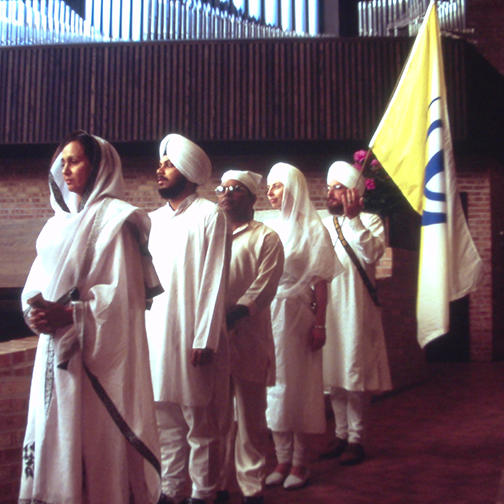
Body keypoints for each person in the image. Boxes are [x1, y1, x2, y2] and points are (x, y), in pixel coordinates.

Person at [19, 131, 162, 504]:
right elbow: (39, 278)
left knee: (94, 436)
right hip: (52, 351)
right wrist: (33, 315)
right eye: (62, 161)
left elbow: (123, 298)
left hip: (94, 356)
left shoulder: (116, 221)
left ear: (99, 166)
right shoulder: (56, 224)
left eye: (76, 160)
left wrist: (70, 313)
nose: (65, 169)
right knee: (56, 430)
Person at [146, 133, 231, 504]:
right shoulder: (150, 221)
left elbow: (215, 280)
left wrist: (206, 338)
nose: (160, 170)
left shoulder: (210, 216)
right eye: (162, 163)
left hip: (193, 336)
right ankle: (171, 489)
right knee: (165, 419)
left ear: (189, 171)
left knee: (199, 421)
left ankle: (203, 491)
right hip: (156, 334)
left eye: (168, 164)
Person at [264, 162, 341, 490]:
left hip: (298, 316)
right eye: (269, 186)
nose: (270, 192)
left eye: (278, 186)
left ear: (293, 188)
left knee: (299, 385)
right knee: (275, 386)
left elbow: (321, 282)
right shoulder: (268, 228)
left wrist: (320, 324)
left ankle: (300, 461)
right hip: (269, 315)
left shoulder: (313, 229)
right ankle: (281, 458)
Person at [215, 170, 284, 504]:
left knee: (251, 416)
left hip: (249, 336)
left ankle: (251, 486)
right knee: (216, 418)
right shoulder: (211, 234)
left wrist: (237, 313)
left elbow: (265, 284)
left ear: (252, 198)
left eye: (236, 189)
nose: (227, 194)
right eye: (223, 188)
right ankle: (218, 484)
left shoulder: (265, 237)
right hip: (213, 339)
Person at [321, 160, 392, 465]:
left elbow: (372, 253)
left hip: (356, 309)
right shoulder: (323, 224)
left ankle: (357, 440)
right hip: (328, 309)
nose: (331, 194)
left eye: (338, 188)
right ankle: (340, 435)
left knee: (354, 374)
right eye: (329, 188)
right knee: (334, 377)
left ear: (354, 194)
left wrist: (354, 221)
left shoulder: (371, 221)